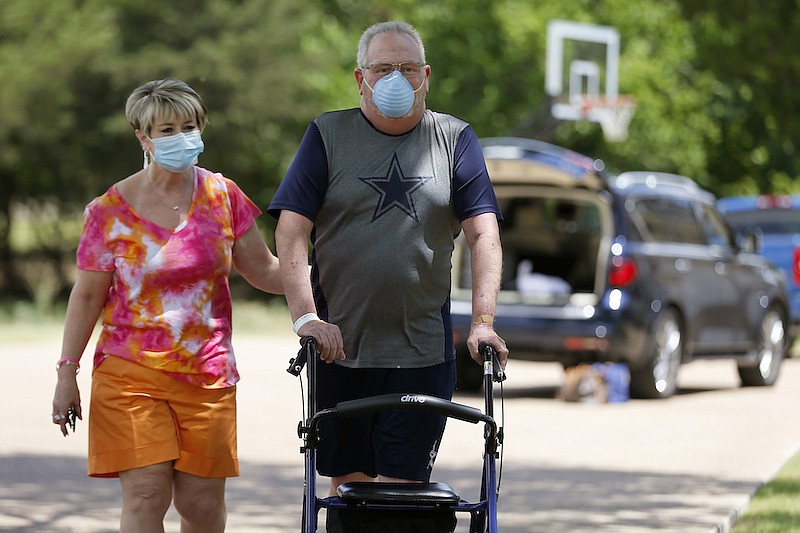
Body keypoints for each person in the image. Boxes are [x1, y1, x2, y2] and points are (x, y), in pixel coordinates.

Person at [268, 20, 508, 531]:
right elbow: (291, 231)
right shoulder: (328, 134)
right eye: (382, 68)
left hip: (421, 350)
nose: (395, 78)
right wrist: (306, 317)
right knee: (349, 493)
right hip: (339, 349)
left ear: (426, 75)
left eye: (405, 68)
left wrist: (484, 320)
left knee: (400, 498)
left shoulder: (454, 138)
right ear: (361, 78)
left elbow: (484, 233)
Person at [50, 78, 283, 533]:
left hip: (208, 374)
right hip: (130, 374)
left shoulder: (223, 195)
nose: (182, 137)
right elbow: (87, 296)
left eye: (190, 126)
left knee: (201, 507)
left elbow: (267, 271)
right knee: (145, 496)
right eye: (167, 129)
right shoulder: (107, 211)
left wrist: (327, 280)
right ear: (143, 137)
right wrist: (66, 372)